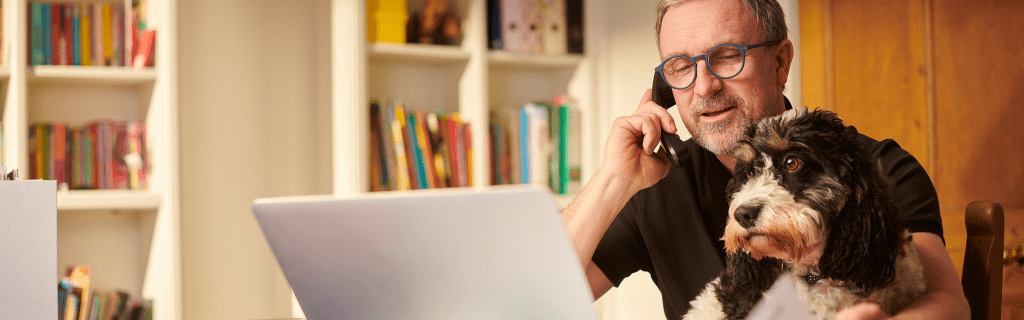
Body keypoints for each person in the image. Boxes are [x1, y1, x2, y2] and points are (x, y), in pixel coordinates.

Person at [559, 0, 970, 319]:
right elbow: (532, 296)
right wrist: (614, 180)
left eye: (726, 55)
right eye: (681, 66)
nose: (703, 86)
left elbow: (946, 303)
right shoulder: (656, 181)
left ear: (779, 62)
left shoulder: (875, 168)